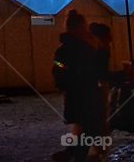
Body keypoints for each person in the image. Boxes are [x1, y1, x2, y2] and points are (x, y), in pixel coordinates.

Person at [52, 9, 100, 162]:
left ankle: (71, 153)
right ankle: (75, 154)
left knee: (86, 125)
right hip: (85, 92)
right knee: (90, 126)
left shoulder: (63, 49)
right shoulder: (84, 48)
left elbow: (57, 65)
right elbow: (93, 69)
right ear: (79, 27)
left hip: (74, 92)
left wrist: (64, 73)